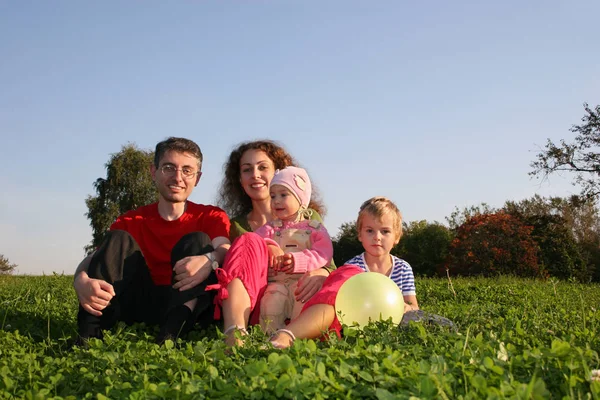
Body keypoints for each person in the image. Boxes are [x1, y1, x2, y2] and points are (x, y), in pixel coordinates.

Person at [73, 137, 231, 344]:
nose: (178, 177)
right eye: (168, 168)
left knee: (198, 241)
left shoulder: (211, 216)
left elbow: (225, 249)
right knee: (117, 238)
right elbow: (96, 257)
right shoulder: (130, 220)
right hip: (141, 301)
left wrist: (210, 259)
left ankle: (170, 336)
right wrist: (80, 279)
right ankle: (87, 336)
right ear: (153, 172)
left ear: (197, 178)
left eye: (187, 170)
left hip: (188, 304)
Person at [211, 140, 334, 344]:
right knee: (248, 239)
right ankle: (235, 332)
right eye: (247, 170)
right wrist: (268, 247)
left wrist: (320, 273)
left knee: (350, 273)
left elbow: (327, 261)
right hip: (260, 304)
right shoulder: (237, 226)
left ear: (278, 172)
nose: (255, 175)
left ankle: (290, 335)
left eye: (263, 167)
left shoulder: (308, 220)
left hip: (304, 293)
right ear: (239, 180)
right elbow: (239, 272)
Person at [268, 196, 418, 348]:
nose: (377, 237)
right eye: (370, 231)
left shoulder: (402, 269)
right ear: (360, 234)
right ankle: (292, 332)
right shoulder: (352, 266)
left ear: (397, 237)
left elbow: (414, 307)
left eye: (385, 231)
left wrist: (404, 307)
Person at [254, 166, 334, 333]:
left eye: (283, 195)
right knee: (271, 303)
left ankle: (297, 337)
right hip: (277, 283)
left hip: (303, 283)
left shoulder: (314, 228)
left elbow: (324, 253)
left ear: (301, 199)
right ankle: (270, 337)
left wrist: (300, 261)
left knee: (303, 304)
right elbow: (254, 243)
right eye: (273, 196)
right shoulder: (269, 228)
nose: (276, 201)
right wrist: (270, 246)